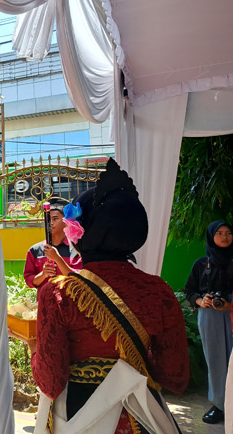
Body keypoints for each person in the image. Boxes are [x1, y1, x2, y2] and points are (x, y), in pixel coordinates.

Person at [31, 159, 189, 434]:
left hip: (79, 416)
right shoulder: (159, 291)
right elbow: (175, 377)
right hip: (143, 417)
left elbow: (50, 381)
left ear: (81, 234)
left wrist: (36, 353)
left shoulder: (58, 293)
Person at [184, 220, 233, 424]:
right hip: (210, 316)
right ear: (211, 236)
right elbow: (189, 290)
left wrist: (230, 304)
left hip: (232, 312)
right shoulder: (201, 264)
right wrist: (200, 300)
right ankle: (220, 405)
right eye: (219, 233)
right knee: (215, 360)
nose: (224, 236)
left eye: (229, 233)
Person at [23, 196, 82, 288]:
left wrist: (57, 259)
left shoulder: (76, 249)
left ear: (65, 221)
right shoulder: (34, 250)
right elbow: (29, 281)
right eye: (48, 219)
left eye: (55, 219)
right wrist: (43, 274)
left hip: (68, 300)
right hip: (45, 301)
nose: (50, 223)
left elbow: (79, 279)